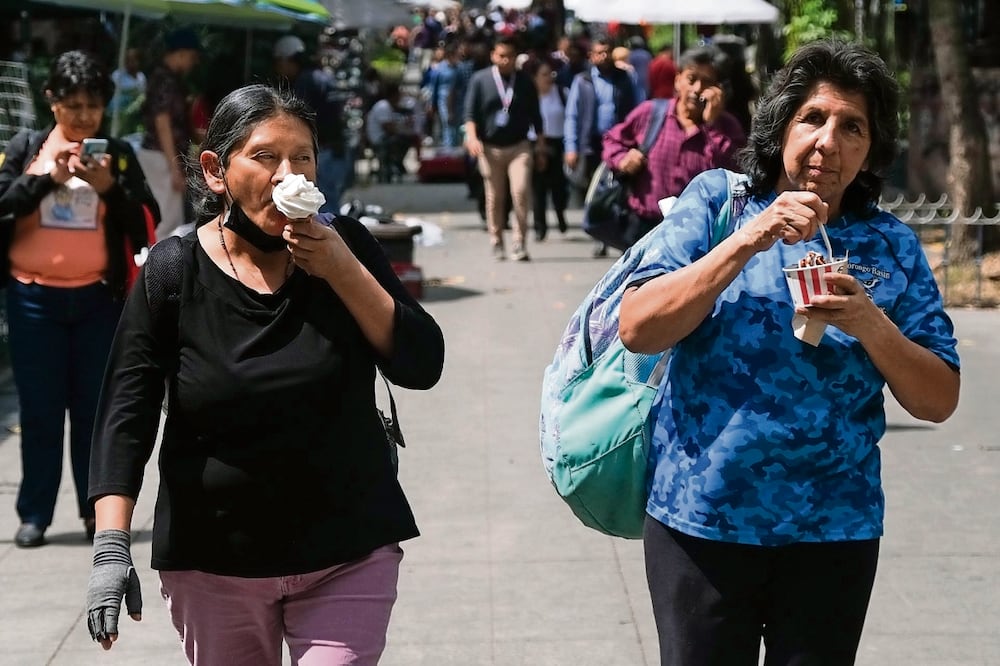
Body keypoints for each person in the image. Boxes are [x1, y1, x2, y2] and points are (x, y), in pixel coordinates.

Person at [617, 40, 960, 665]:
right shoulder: (717, 204)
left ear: (871, 147)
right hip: (703, 520)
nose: (829, 141)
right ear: (781, 127)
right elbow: (638, 326)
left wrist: (869, 322)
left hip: (833, 530)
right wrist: (748, 240)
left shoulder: (891, 246)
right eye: (814, 118)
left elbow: (938, 399)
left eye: (852, 126)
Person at [84, 84, 445, 664]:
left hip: (346, 544)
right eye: (265, 156)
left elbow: (422, 364)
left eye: (301, 158)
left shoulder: (345, 245)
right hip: (215, 559)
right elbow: (127, 411)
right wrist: (111, 546)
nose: (286, 175)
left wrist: (340, 267)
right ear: (216, 171)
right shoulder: (173, 272)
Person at [0, 50, 159, 549]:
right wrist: (48, 179)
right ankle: (35, 514)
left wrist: (109, 187)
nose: (83, 115)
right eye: (73, 105)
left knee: (95, 412)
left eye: (93, 105)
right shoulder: (28, 147)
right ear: (52, 102)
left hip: (99, 300)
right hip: (32, 299)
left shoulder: (117, 153)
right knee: (40, 410)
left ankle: (99, 517)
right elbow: (2, 205)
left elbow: (145, 219)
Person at [602, 44, 746, 248]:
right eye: (692, 79)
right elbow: (612, 139)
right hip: (644, 228)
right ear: (678, 80)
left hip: (698, 234)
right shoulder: (650, 113)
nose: (697, 89)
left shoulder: (727, 127)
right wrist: (623, 159)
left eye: (707, 82)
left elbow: (732, 173)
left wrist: (712, 126)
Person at [464, 36, 545, 262]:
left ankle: (519, 242)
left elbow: (537, 118)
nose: (505, 60)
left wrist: (540, 147)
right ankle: (496, 240)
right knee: (495, 196)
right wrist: (472, 138)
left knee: (520, 192)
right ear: (493, 55)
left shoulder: (525, 82)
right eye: (500, 56)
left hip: (519, 147)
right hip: (489, 149)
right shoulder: (480, 80)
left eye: (509, 56)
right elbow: (470, 115)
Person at [564, 36, 640, 257]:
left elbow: (638, 108)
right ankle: (600, 236)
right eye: (599, 53)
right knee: (596, 193)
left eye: (607, 52)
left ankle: (619, 235)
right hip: (592, 145)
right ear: (592, 56)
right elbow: (572, 115)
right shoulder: (583, 80)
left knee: (620, 191)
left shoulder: (625, 78)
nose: (603, 56)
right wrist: (572, 147)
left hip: (620, 145)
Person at [273, 35, 349, 215]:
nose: (277, 68)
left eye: (279, 62)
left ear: (287, 59)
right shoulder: (325, 77)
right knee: (331, 200)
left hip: (322, 152)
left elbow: (298, 122)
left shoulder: (305, 82)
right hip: (338, 150)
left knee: (322, 206)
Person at [137, 27, 200, 241]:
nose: (192, 64)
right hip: (160, 157)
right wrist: (174, 168)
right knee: (167, 220)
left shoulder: (169, 79)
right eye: (191, 57)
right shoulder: (164, 80)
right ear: (181, 53)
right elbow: (162, 123)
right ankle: (160, 269)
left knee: (170, 218)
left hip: (165, 156)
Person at [525, 57, 568, 240]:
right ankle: (539, 227)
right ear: (534, 77)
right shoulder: (528, 96)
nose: (548, 78)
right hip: (534, 143)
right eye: (543, 75)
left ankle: (560, 215)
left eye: (550, 74)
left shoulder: (561, 92)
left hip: (558, 143)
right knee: (538, 189)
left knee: (559, 186)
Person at [365, 83, 419, 183]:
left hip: (383, 137)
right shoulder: (383, 107)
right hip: (378, 139)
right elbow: (389, 128)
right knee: (404, 139)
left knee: (407, 138)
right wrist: (404, 131)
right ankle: (397, 163)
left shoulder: (388, 106)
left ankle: (396, 163)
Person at [108, 47, 146, 139]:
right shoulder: (117, 75)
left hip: (135, 116)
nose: (131, 63)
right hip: (118, 113)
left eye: (134, 60)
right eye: (128, 60)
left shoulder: (141, 77)